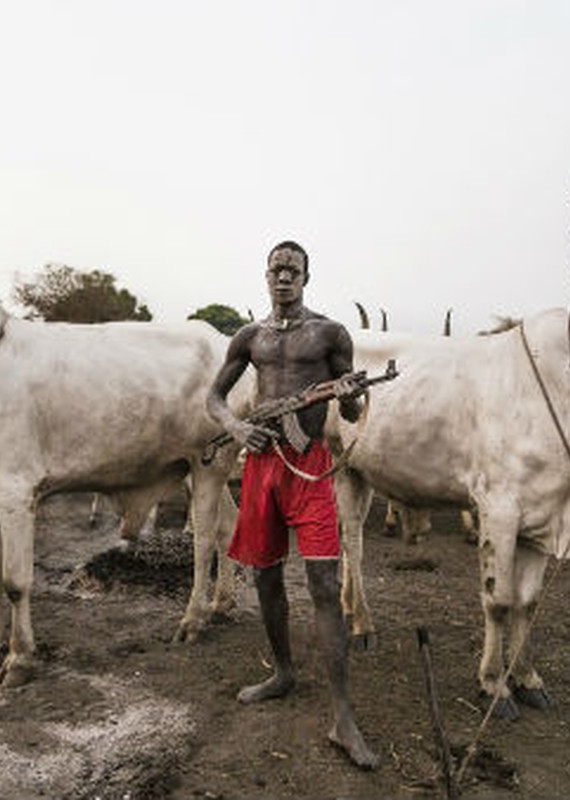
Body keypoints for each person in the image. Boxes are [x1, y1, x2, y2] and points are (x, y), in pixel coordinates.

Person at [205, 240, 380, 771]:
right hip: (261, 468)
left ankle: (343, 718)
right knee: (264, 577)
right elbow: (215, 398)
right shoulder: (249, 337)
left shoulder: (329, 334)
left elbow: (350, 410)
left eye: (293, 270)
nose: (284, 277)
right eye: (276, 269)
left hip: (309, 469)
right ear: (265, 276)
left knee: (326, 585)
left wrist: (347, 393)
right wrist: (237, 427)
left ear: (307, 276)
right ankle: (282, 673)